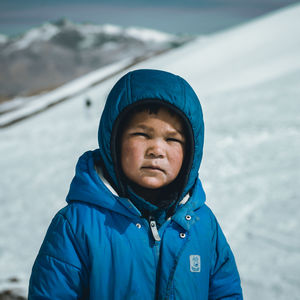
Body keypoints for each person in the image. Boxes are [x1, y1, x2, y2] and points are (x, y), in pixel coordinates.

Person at [28, 69, 243, 299]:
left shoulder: (202, 225)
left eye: (172, 139)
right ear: (114, 141)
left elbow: (225, 292)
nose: (157, 150)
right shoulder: (76, 226)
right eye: (142, 134)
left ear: (191, 152)